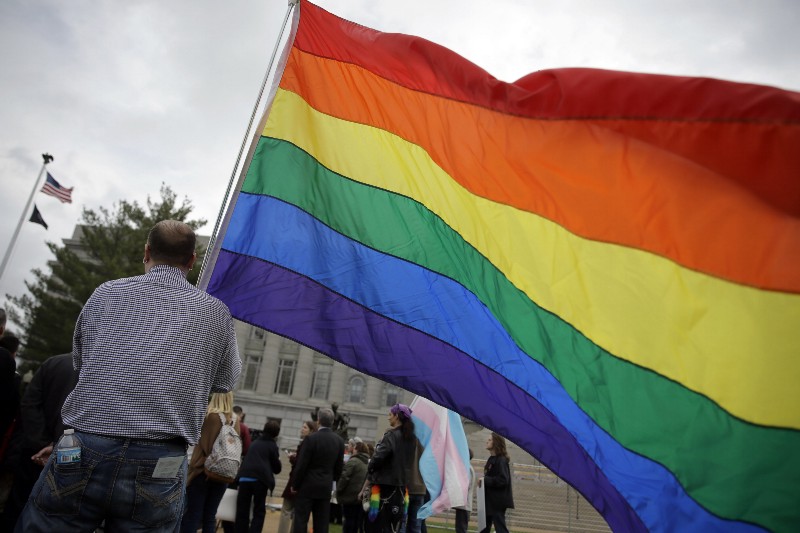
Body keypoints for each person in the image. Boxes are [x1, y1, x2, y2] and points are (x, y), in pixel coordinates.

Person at [15, 220, 242, 532]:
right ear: (191, 260)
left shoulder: (106, 293)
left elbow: (81, 360)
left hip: (85, 443)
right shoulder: (216, 312)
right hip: (161, 456)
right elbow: (225, 381)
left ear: (146, 252)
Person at [0, 353, 77, 532]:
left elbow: (30, 403)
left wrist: (40, 442)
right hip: (71, 456)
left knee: (17, 506)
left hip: (34, 452)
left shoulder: (54, 363)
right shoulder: (102, 373)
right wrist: (58, 446)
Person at [181, 392, 241, 533]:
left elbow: (203, 446)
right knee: (210, 516)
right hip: (223, 473)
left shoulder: (211, 416)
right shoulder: (235, 419)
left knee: (193, 515)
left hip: (203, 472)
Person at [361, 403, 416, 533]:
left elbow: (378, 458)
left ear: (397, 416)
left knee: (376, 526)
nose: (388, 417)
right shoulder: (412, 438)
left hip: (384, 488)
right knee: (393, 526)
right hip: (400, 488)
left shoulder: (391, 436)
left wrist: (371, 466)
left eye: (390, 414)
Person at [291, 407, 345, 533]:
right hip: (325, 486)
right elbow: (339, 468)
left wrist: (295, 484)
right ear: (332, 422)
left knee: (301, 520)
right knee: (321, 524)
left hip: (307, 485)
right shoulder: (339, 441)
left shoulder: (311, 439)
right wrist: (332, 481)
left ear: (318, 421)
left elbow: (302, 465)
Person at [235, 420, 282, 533]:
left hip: (244, 478)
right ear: (276, 434)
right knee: (259, 511)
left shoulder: (254, 443)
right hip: (260, 480)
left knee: (242, 510)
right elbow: (277, 469)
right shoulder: (272, 446)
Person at [277, 420, 317, 533]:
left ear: (311, 430)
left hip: (296, 480)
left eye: (305, 427)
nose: (302, 429)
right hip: (305, 482)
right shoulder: (314, 443)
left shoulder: (306, 443)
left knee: (286, 510)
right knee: (298, 513)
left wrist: (292, 458)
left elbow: (300, 463)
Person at [478, 433, 514, 533]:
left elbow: (503, 480)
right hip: (489, 500)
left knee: (500, 528)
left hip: (497, 502)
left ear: (496, 443)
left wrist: (485, 480)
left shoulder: (501, 460)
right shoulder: (491, 459)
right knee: (483, 528)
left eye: (490, 440)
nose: (487, 441)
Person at [337, 439, 369, 533]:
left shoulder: (353, 461)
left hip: (349, 496)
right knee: (355, 522)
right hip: (360, 497)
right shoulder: (367, 463)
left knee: (348, 521)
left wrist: (339, 489)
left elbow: (344, 477)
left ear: (357, 449)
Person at [399, 436, 426, 533]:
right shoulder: (426, 441)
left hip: (406, 488)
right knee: (416, 526)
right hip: (420, 488)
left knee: (401, 524)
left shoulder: (405, 438)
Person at [453, 448, 475, 533]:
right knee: (460, 529)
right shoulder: (466, 467)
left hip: (464, 506)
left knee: (461, 529)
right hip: (462, 505)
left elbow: (465, 485)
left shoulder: (467, 468)